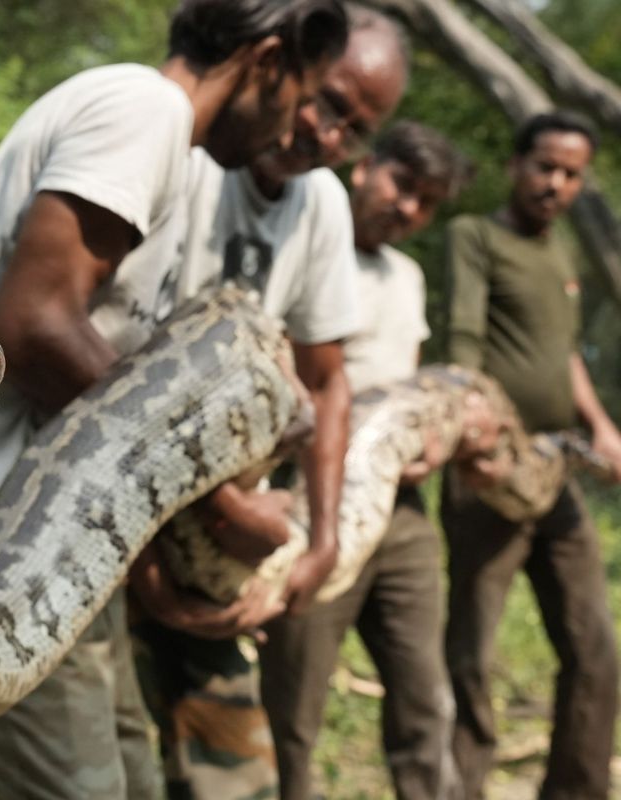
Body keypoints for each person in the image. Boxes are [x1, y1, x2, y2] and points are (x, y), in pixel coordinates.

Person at [0, 1, 351, 797]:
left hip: (57, 513)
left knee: (132, 780)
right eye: (299, 95)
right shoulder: (143, 111)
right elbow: (33, 325)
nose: (291, 128)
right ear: (268, 62)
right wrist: (214, 503)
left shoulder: (170, 144)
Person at [130, 8, 412, 798]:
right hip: (128, 508)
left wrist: (320, 543)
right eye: (328, 101)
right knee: (101, 764)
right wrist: (151, 556)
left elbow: (328, 380)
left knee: (234, 777)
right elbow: (101, 362)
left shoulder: (318, 203)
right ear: (283, 71)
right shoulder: (188, 158)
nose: (327, 134)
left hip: (215, 535)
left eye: (357, 130)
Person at [259, 121, 473, 800]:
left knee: (425, 699)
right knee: (293, 705)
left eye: (427, 201)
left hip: (403, 513)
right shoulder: (297, 248)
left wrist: (431, 441)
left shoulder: (406, 277)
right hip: (312, 496)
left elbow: (413, 384)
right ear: (366, 168)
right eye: (402, 185)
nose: (408, 208)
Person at [443, 110, 621, 800]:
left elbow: (565, 354)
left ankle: (577, 790)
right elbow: (462, 338)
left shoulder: (561, 255)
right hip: (490, 470)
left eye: (571, 174)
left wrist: (601, 425)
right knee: (472, 652)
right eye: (545, 166)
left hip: (556, 470)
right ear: (516, 165)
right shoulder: (476, 237)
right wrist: (472, 436)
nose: (556, 183)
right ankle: (459, 788)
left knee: (594, 646)